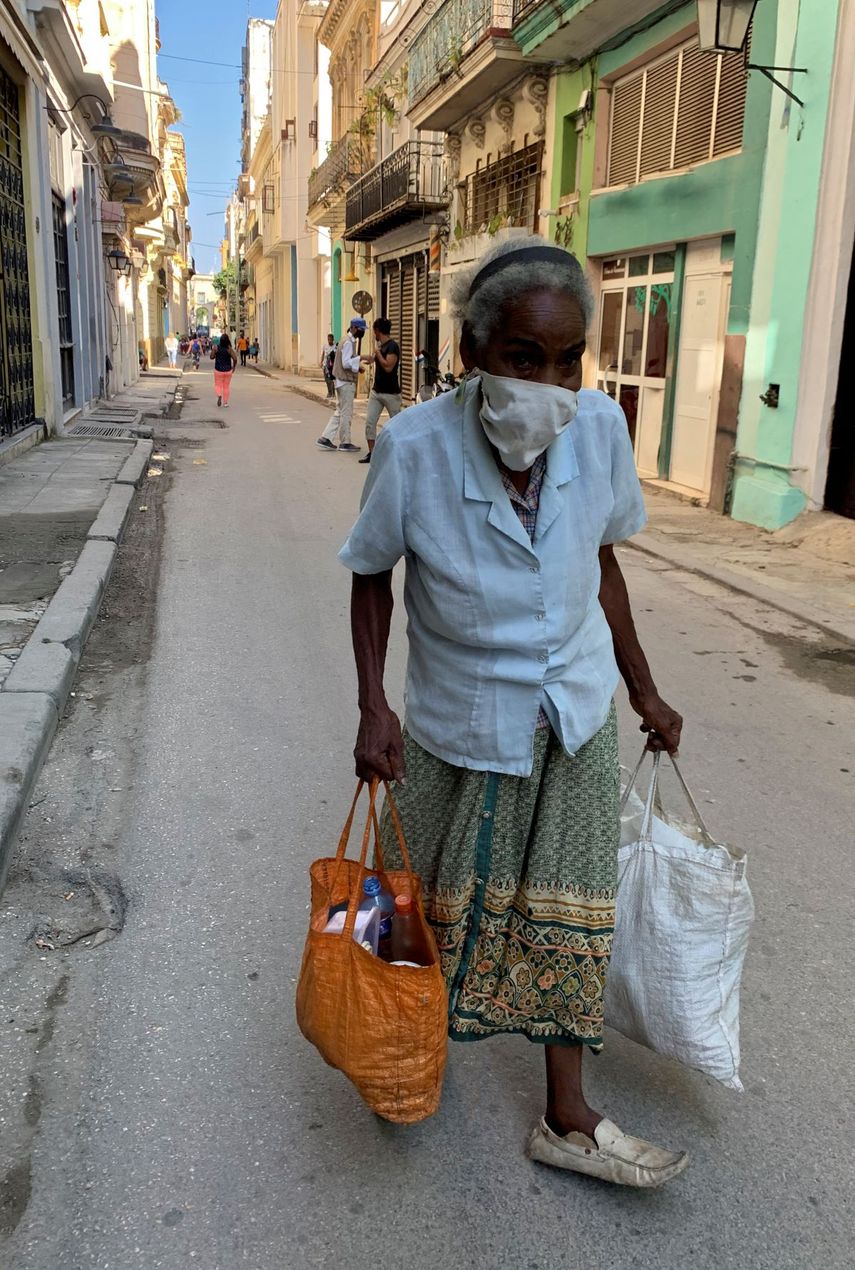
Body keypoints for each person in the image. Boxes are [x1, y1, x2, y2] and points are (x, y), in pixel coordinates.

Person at [339, 235, 688, 1189]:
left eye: (568, 359)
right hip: (455, 717)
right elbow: (372, 573)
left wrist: (641, 684)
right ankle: (387, 1045)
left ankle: (565, 1114)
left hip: (569, 711)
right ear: (470, 354)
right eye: (523, 359)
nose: (549, 380)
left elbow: (601, 564)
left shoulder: (599, 431)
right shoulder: (411, 445)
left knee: (567, 916)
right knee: (402, 904)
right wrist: (373, 705)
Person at [316, 317, 365, 453]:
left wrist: (357, 367)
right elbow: (346, 363)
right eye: (361, 329)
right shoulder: (348, 342)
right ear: (354, 328)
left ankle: (325, 438)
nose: (362, 333)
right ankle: (345, 442)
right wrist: (361, 359)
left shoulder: (345, 340)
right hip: (345, 382)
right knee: (346, 413)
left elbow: (347, 362)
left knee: (339, 411)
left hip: (341, 381)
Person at [358, 318, 401, 465]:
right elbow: (371, 359)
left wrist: (378, 353)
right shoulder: (381, 346)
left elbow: (388, 367)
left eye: (374, 331)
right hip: (376, 392)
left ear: (378, 331)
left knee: (397, 424)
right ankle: (372, 454)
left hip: (391, 394)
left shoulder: (392, 347)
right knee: (370, 422)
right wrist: (358, 357)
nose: (374, 334)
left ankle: (399, 452)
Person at [211, 331, 237, 407]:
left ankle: (219, 395)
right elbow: (235, 359)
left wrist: (213, 350)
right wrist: (234, 367)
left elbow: (211, 357)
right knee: (226, 386)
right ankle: (225, 403)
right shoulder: (229, 349)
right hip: (228, 370)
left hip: (218, 370)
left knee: (218, 385)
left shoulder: (217, 347)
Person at [321, 333, 337, 399]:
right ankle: (329, 392)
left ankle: (333, 394)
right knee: (326, 380)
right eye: (328, 339)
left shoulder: (335, 347)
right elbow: (323, 354)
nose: (329, 341)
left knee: (331, 380)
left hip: (331, 366)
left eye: (330, 339)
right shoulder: (325, 346)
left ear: (333, 339)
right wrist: (321, 362)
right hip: (325, 365)